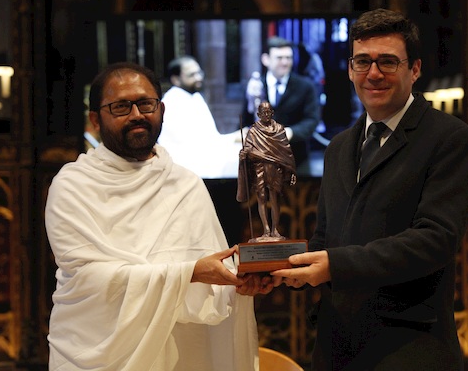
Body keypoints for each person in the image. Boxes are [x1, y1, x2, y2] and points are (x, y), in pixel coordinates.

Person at [271, 9, 468, 370]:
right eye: (362, 62)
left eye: (387, 62)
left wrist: (333, 265)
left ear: (414, 69)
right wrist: (278, 268)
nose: (373, 74)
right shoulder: (338, 146)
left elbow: (435, 240)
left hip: (409, 349)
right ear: (351, 68)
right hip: (335, 347)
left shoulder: (450, 139)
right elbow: (326, 240)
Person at [45, 62, 271, 371]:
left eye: (145, 103)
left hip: (183, 353)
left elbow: (213, 278)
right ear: (96, 119)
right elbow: (89, 279)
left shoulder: (185, 183)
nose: (137, 115)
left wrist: (237, 286)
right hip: (95, 353)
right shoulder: (72, 186)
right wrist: (188, 273)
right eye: (121, 106)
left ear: (161, 109)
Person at [241, 36, 321, 170]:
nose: (285, 62)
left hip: (296, 160)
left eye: (288, 58)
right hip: (262, 161)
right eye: (279, 58)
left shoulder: (305, 86)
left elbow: (311, 121)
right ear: (266, 59)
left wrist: (290, 132)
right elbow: (246, 119)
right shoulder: (255, 86)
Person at [157, 55, 242, 178]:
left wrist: (236, 137)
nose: (198, 78)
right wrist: (234, 138)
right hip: (188, 164)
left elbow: (210, 138)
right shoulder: (172, 103)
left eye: (199, 73)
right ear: (176, 79)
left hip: (204, 155)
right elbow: (198, 144)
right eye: (191, 75)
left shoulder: (195, 97)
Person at [237, 101, 297, 240]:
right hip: (259, 168)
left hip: (275, 169)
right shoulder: (253, 131)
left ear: (272, 113)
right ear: (258, 114)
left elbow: (286, 152)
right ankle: (266, 230)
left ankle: (275, 230)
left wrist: (292, 171)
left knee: (275, 198)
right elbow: (248, 150)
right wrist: (244, 155)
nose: (266, 115)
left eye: (269, 112)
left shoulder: (279, 129)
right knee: (261, 198)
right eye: (263, 113)